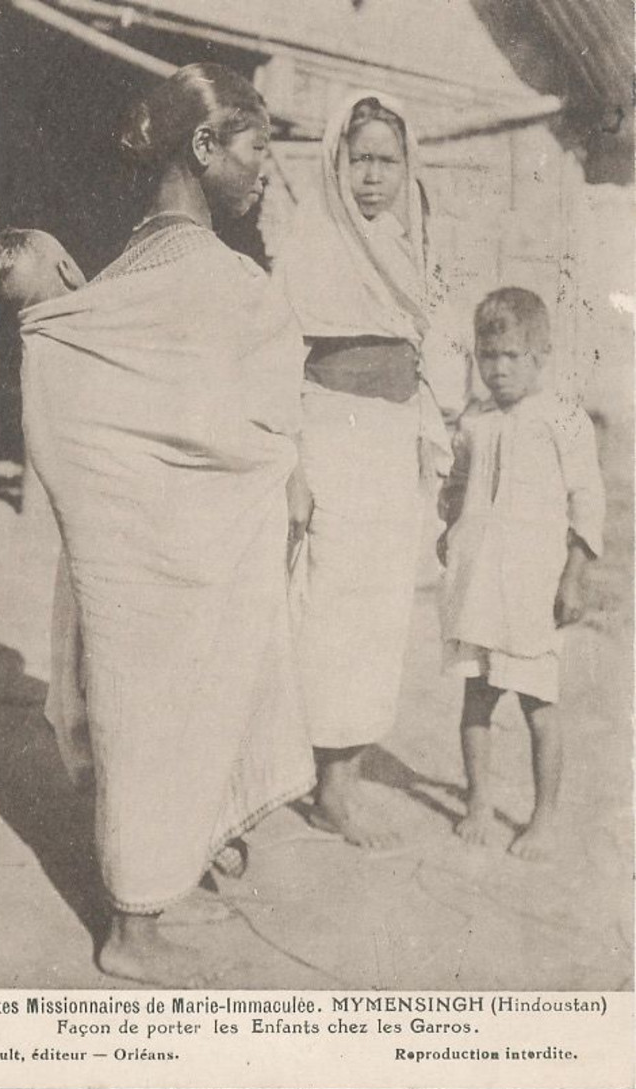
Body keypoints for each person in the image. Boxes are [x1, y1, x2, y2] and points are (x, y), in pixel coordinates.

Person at [11, 64, 314, 982]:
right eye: (257, 147)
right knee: (170, 712)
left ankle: (169, 878)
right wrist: (275, 473)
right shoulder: (224, 282)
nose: (267, 169)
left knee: (153, 714)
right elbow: (241, 421)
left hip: (138, 553)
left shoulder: (123, 271)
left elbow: (106, 399)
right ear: (204, 147)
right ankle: (132, 934)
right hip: (171, 552)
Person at [278, 91, 451, 849]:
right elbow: (281, 356)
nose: (373, 177)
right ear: (335, 161)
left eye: (387, 160)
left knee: (379, 610)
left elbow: (427, 346)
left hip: (391, 437)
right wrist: (293, 464)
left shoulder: (408, 244)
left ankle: (338, 780)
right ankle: (309, 775)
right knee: (323, 606)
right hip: (329, 430)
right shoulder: (309, 241)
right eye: (360, 160)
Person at [438, 287, 605, 860]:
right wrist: (449, 527)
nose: (499, 369)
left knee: (539, 709)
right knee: (476, 700)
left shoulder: (562, 419)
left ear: (540, 355)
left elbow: (588, 502)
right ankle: (479, 802)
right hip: (478, 589)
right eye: (489, 357)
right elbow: (457, 482)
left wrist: (573, 576)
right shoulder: (475, 419)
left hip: (531, 592)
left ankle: (543, 817)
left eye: (513, 356)